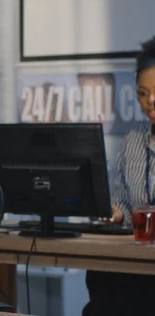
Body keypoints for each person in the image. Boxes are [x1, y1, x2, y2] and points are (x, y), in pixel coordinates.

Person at [82, 36, 155, 316]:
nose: (150, 101)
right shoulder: (133, 142)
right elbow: (125, 205)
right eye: (142, 92)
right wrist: (116, 214)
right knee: (99, 292)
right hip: (134, 263)